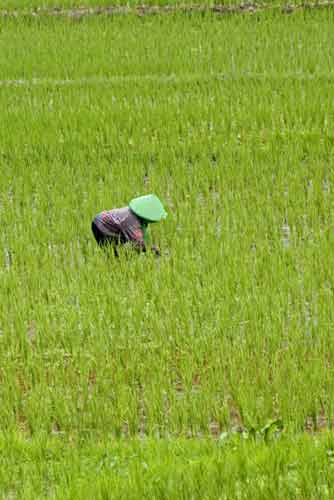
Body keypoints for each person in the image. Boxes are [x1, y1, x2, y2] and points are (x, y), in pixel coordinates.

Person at [92, 194, 167, 256]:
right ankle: (116, 263)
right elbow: (138, 242)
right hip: (101, 225)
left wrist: (149, 245)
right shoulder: (131, 219)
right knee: (113, 253)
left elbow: (143, 236)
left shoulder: (138, 217)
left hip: (106, 223)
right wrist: (152, 249)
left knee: (124, 247)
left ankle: (118, 261)